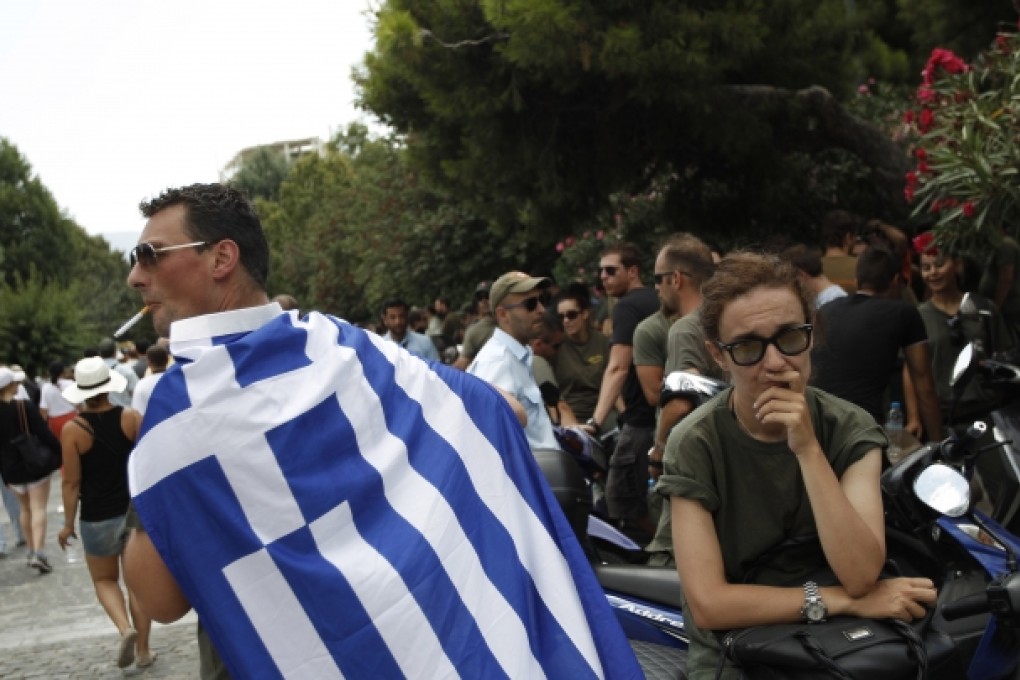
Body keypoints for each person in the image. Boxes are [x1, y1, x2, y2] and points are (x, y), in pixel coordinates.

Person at [122, 183, 639, 680]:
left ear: (221, 257)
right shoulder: (346, 349)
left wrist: (158, 468)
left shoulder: (178, 417)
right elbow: (505, 410)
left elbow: (161, 603)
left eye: (150, 253)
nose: (136, 277)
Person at [660, 251, 937, 678]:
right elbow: (710, 605)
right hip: (737, 653)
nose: (775, 363)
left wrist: (807, 448)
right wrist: (841, 600)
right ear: (718, 354)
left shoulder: (849, 426)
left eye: (790, 338)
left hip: (838, 645)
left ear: (811, 334)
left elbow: (862, 572)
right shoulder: (696, 441)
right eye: (749, 347)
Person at [914, 232, 1019, 533]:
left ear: (956, 265)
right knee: (950, 501)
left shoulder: (983, 308)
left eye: (939, 264)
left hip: (985, 415)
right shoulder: (918, 316)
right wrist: (914, 416)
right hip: (944, 418)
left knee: (1006, 491)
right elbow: (913, 371)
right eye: (925, 267)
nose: (932, 272)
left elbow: (1004, 358)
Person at [58, 357, 155, 669]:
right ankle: (143, 650)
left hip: (95, 517)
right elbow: (146, 463)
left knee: (104, 580)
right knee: (137, 583)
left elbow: (71, 482)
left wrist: (67, 524)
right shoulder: (131, 418)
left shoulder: (73, 430)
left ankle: (124, 628)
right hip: (132, 513)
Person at [811, 246, 943, 444]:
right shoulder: (903, 313)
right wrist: (940, 444)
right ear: (897, 281)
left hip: (814, 423)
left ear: (857, 282)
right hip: (860, 429)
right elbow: (924, 384)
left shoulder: (826, 309)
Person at [584, 243, 659, 537]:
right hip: (662, 416)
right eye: (601, 271)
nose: (603, 276)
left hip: (641, 423)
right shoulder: (656, 300)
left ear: (633, 271)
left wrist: (595, 422)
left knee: (622, 503)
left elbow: (618, 367)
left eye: (611, 270)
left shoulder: (628, 306)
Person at [468, 271, 563, 452]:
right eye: (530, 304)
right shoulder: (498, 363)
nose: (541, 309)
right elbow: (493, 440)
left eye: (541, 300)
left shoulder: (519, 354)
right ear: (503, 315)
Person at [0, 366, 60, 573]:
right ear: (10, 385)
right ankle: (39, 552)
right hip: (34, 464)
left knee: (24, 509)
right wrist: (60, 452)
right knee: (38, 508)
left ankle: (30, 548)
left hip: (10, 468)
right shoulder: (23, 407)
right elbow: (43, 433)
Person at [554, 283, 614, 427]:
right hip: (572, 414)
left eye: (571, 315)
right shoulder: (556, 347)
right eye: (561, 317)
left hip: (604, 410)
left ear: (585, 314)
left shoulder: (603, 342)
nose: (566, 321)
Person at [781, 243, 847, 309]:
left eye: (790, 278)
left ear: (801, 275)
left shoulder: (834, 301)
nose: (790, 284)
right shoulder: (826, 298)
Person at [380, 298, 441, 362]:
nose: (398, 322)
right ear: (385, 320)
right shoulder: (380, 347)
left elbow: (437, 370)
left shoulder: (425, 342)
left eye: (401, 316)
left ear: (407, 316)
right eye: (392, 317)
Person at [453, 281, 494, 369]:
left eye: (487, 296)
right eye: (480, 298)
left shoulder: (512, 322)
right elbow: (462, 364)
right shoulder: (474, 331)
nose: (483, 300)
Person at [40, 361, 78, 439]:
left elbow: (43, 409)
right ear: (63, 371)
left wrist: (43, 426)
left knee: (61, 446)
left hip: (55, 422)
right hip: (73, 417)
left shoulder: (45, 387)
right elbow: (78, 403)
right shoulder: (70, 383)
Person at [97, 338, 139, 408]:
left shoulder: (94, 372)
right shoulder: (126, 370)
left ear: (100, 353)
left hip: (102, 415)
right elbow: (136, 393)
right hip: (126, 413)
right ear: (115, 352)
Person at [131, 345, 170, 416]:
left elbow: (137, 414)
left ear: (148, 362)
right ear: (167, 360)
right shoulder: (178, 380)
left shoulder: (141, 385)